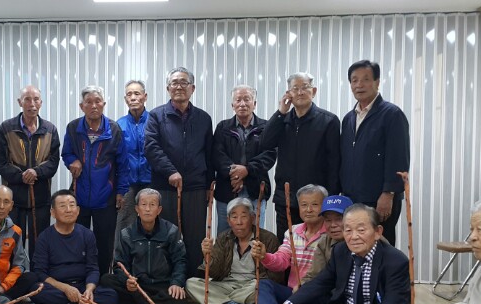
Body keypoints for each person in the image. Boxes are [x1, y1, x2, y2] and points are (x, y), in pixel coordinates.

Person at [262, 204, 410, 304]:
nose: (354, 237)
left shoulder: (396, 261)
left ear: (378, 232)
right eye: (348, 230)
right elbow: (320, 283)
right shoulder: (340, 252)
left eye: (361, 230)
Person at [252, 191, 352, 304]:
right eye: (304, 205)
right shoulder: (299, 234)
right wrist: (265, 257)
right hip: (302, 291)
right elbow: (309, 274)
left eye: (314, 205)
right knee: (264, 284)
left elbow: (321, 281)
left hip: (327, 298)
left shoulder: (350, 240)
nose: (309, 209)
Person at [145, 67, 214, 278]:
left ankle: (192, 283)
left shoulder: (203, 118)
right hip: (165, 187)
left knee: (194, 238)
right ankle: (168, 281)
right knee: (167, 236)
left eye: (184, 82)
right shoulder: (156, 115)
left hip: (195, 188)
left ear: (192, 88)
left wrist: (210, 184)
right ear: (168, 88)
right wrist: (170, 172)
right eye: (174, 83)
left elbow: (209, 154)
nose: (179, 87)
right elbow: (151, 147)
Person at [259, 72, 340, 238]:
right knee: (287, 246)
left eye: (305, 87)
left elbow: (335, 161)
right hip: (286, 198)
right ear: (289, 94)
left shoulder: (328, 120)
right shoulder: (282, 120)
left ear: (314, 91)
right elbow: (264, 143)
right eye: (295, 89)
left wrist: (331, 198)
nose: (300, 92)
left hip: (316, 200)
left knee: (316, 246)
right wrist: (281, 111)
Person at [340, 60, 410, 245]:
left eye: (365, 79)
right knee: (355, 245)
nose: (359, 85)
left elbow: (399, 157)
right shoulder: (348, 119)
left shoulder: (391, 114)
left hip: (379, 198)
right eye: (354, 80)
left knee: (380, 246)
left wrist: (389, 193)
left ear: (377, 82)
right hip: (353, 198)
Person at [62, 85, 128, 276]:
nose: (94, 106)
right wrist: (72, 161)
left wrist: (121, 192)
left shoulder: (114, 129)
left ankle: (102, 278)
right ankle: (80, 277)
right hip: (79, 196)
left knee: (104, 242)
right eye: (88, 102)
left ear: (104, 104)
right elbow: (66, 153)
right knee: (78, 240)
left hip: (106, 196)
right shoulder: (73, 128)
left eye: (97, 101)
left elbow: (123, 165)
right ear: (81, 106)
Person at [0, 85, 60, 259]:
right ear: (19, 102)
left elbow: (54, 161)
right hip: (14, 197)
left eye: (36, 99)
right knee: (13, 240)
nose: (32, 104)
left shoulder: (50, 129)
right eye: (27, 99)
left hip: (41, 196)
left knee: (41, 241)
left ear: (41, 102)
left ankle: (39, 277)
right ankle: (15, 276)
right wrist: (20, 176)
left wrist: (36, 172)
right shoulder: (7, 128)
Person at [27, 190, 119, 304]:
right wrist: (66, 289)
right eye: (63, 206)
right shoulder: (45, 237)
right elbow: (40, 273)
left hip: (81, 285)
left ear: (78, 210)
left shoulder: (87, 235)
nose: (68, 210)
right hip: (57, 287)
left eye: (72, 205)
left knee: (111, 295)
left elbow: (93, 268)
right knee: (36, 291)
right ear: (53, 213)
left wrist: (89, 289)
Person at [184, 197, 281, 304]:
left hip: (252, 286)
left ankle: (220, 302)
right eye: (234, 217)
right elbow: (215, 273)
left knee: (262, 289)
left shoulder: (268, 239)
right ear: (229, 221)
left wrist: (263, 258)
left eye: (244, 216)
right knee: (190, 284)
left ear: (253, 218)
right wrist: (207, 256)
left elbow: (275, 277)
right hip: (227, 284)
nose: (239, 222)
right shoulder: (223, 238)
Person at [103, 188, 187, 304]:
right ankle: (149, 303)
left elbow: (180, 261)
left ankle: (138, 302)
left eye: (152, 205)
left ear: (159, 210)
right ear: (137, 209)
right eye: (143, 204)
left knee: (179, 300)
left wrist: (176, 283)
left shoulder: (171, 231)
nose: (147, 209)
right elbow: (119, 264)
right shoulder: (126, 233)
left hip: (162, 284)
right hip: (137, 285)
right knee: (106, 279)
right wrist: (127, 281)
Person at [211, 85, 276, 234]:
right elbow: (217, 154)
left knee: (255, 234)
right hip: (227, 189)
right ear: (232, 105)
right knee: (224, 235)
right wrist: (234, 173)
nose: (242, 104)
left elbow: (270, 154)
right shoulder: (223, 127)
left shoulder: (266, 127)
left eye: (247, 99)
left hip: (255, 189)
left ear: (254, 103)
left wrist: (247, 170)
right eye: (238, 100)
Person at [114, 80, 151, 238]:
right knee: (124, 225)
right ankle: (119, 262)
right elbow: (115, 158)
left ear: (145, 96)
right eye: (129, 94)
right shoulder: (118, 125)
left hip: (152, 180)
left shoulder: (154, 121)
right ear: (125, 99)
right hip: (127, 183)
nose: (133, 97)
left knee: (152, 222)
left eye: (137, 93)